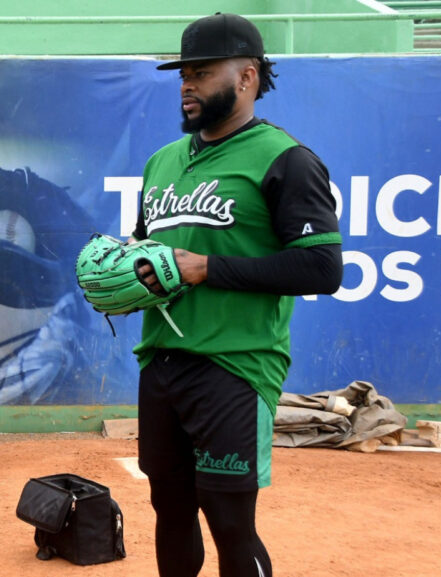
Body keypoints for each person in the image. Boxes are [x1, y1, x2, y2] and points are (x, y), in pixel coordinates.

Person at [132, 13, 343, 577]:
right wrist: (122, 278)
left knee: (229, 520)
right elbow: (144, 254)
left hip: (235, 365)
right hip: (161, 361)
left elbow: (322, 268)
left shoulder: (285, 159)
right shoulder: (162, 163)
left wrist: (208, 268)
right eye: (183, 74)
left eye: (201, 73)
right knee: (169, 512)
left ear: (247, 77)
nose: (187, 84)